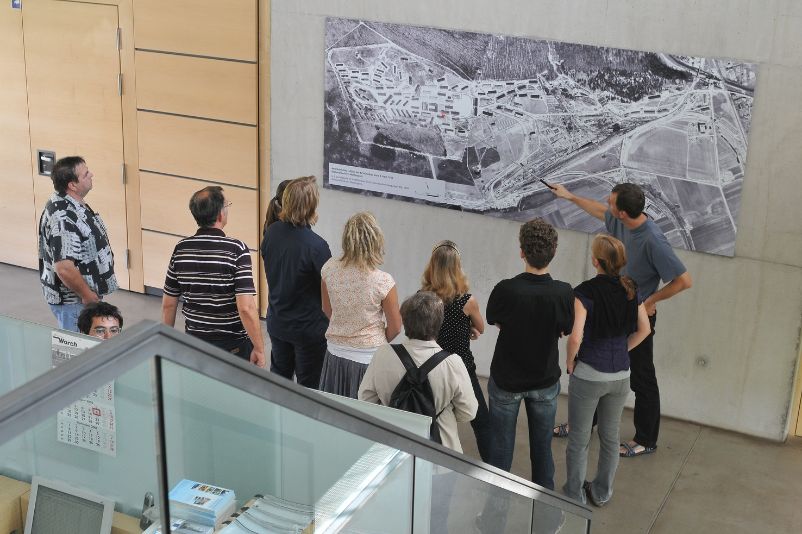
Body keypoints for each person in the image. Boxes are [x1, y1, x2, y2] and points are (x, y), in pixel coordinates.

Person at [549, 181, 691, 456]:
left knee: (642, 378)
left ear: (625, 212)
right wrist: (569, 196)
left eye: (613, 202)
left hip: (633, 316)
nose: (607, 204)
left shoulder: (653, 240)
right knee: (595, 367)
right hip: (609, 306)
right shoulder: (619, 219)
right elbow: (599, 211)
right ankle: (581, 425)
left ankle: (646, 439)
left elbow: (683, 281)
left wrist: (649, 302)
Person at [485, 218, 573, 490]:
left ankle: (494, 520)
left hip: (506, 380)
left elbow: (495, 320)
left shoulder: (505, 289)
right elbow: (564, 329)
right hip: (544, 381)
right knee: (543, 449)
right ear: (554, 252)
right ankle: (546, 518)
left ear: (521, 251)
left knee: (499, 452)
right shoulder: (563, 293)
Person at [563, 235, 651, 507]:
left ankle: (574, 493)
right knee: (610, 438)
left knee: (579, 438)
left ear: (596, 261)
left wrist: (570, 362)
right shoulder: (630, 289)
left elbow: (575, 337)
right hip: (620, 376)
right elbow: (645, 329)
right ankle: (601, 492)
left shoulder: (584, 292)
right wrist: (624, 350)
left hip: (590, 374)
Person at [358, 291, 477, 452]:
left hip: (393, 450)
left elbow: (366, 399)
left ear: (405, 322)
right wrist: (441, 409)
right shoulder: (452, 363)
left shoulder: (383, 354)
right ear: (438, 323)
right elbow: (468, 412)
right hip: (441, 454)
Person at [161, 186, 265, 367]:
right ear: (220, 215)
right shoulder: (236, 250)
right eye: (227, 205)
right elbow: (246, 308)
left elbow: (168, 304)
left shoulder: (181, 249)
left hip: (195, 344)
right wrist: (259, 349)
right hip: (233, 347)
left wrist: (164, 342)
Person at [421, 239, 491, 462]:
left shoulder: (425, 298)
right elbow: (481, 327)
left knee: (433, 417)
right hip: (461, 368)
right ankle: (492, 469)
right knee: (482, 423)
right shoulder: (467, 301)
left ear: (432, 267)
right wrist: (468, 328)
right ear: (457, 268)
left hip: (432, 366)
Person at [319, 212, 402, 398]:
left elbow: (326, 309)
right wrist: (374, 340)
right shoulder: (382, 281)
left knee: (335, 411)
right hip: (368, 359)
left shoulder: (328, 269)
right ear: (375, 240)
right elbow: (396, 326)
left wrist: (344, 327)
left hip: (334, 353)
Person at [262, 176, 331, 388]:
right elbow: (330, 290)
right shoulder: (317, 246)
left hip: (277, 322)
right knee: (308, 386)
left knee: (279, 381)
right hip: (308, 332)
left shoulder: (271, 233)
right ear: (311, 205)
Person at [38, 156, 117, 331]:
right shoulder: (63, 217)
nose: (91, 175)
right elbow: (64, 267)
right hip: (75, 304)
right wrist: (87, 295)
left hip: (82, 301)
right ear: (72, 185)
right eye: (86, 174)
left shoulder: (71, 204)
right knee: (77, 352)